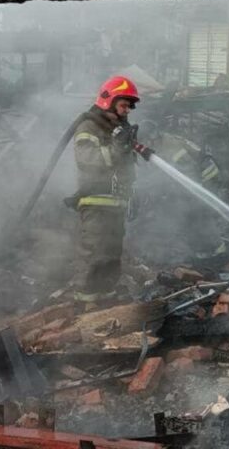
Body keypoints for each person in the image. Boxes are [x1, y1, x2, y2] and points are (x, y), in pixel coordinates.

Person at [71, 75, 140, 296]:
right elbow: (86, 159)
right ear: (107, 100)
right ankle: (85, 304)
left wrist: (131, 193)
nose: (128, 110)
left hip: (116, 203)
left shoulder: (120, 130)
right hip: (95, 201)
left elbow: (126, 168)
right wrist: (117, 148)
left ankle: (106, 302)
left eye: (130, 106)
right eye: (124, 104)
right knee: (93, 255)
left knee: (112, 256)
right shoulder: (89, 125)